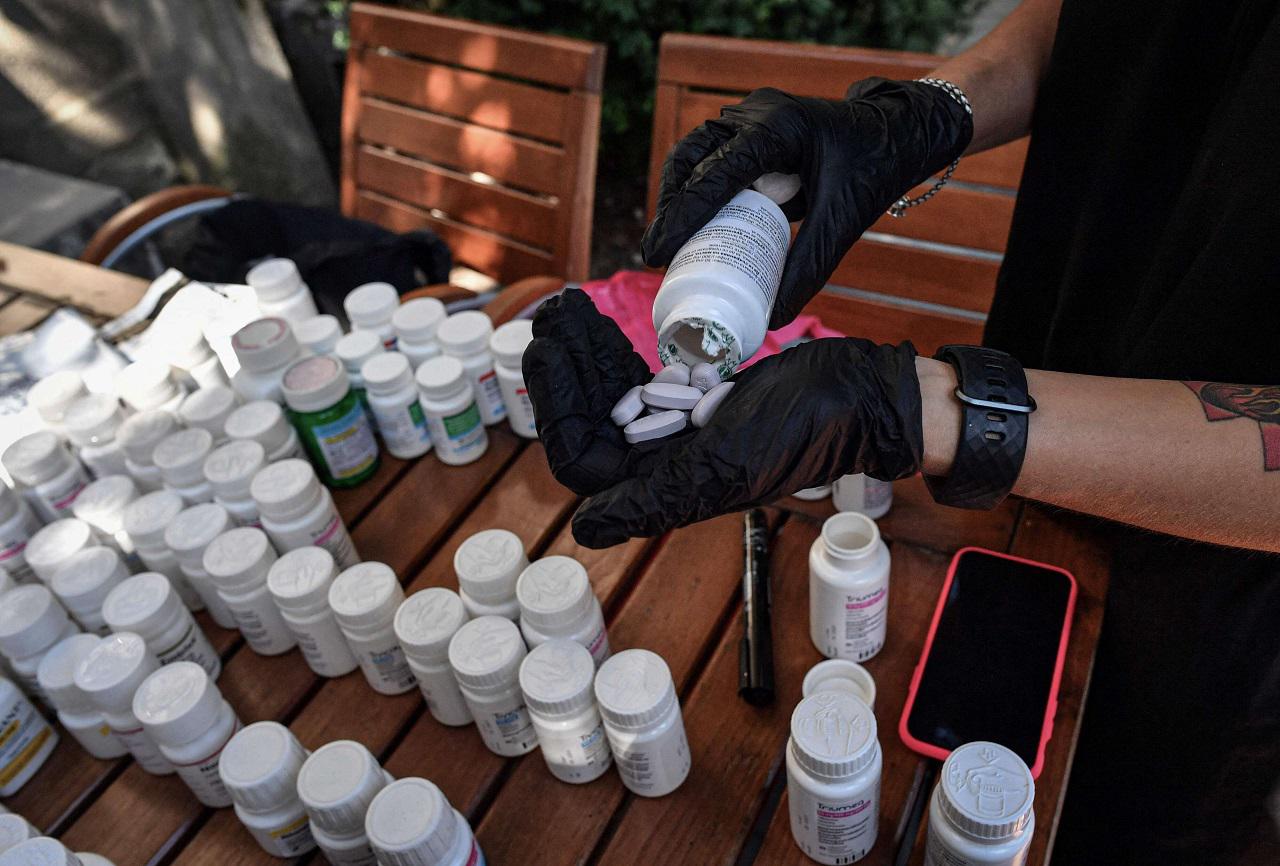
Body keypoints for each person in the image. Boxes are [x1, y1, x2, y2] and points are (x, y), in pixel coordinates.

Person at [523, 0, 1280, 862]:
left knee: (1105, 823)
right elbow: (1100, 29)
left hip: (1206, 578)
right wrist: (917, 117)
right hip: (1024, 433)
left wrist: (920, 407)